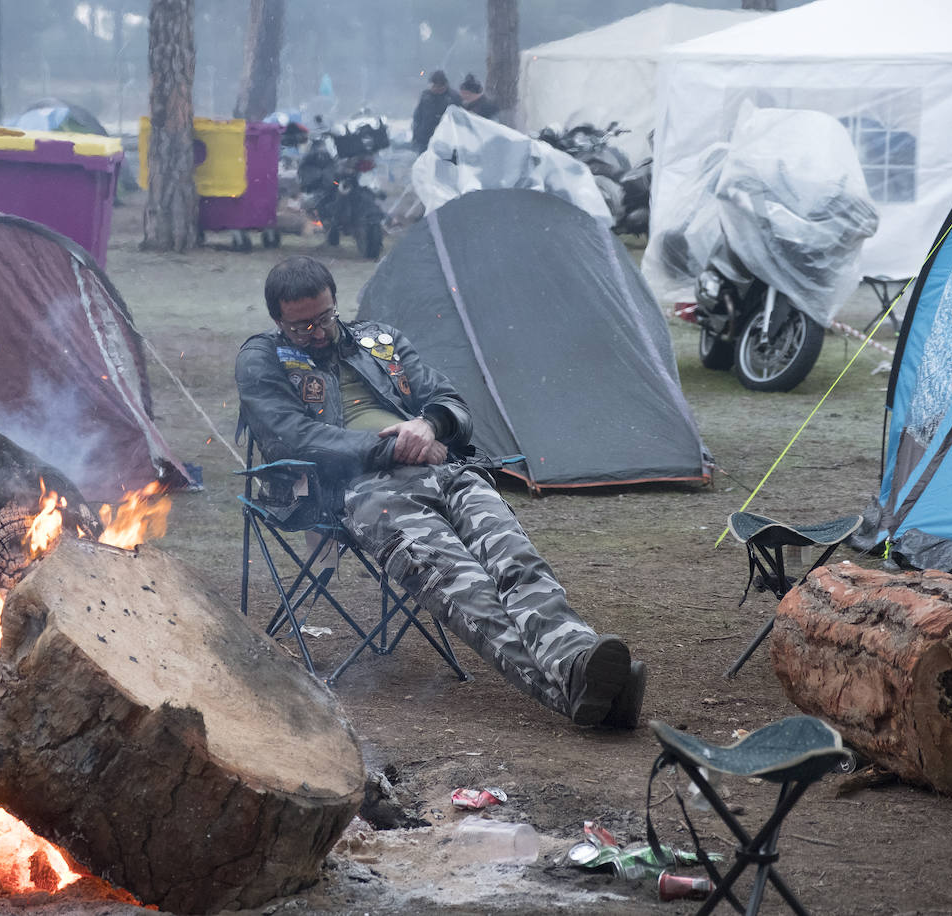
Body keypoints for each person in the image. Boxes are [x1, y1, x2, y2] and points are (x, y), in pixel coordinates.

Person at [235, 256, 646, 729]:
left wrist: (429, 425)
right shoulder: (262, 358)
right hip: (358, 490)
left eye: (325, 318)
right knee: (461, 582)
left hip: (444, 470)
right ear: (277, 321)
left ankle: (577, 661)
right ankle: (579, 687)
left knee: (517, 561)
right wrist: (390, 449)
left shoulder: (379, 340)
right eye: (302, 327)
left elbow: (452, 404)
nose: (319, 333)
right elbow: (292, 435)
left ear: (335, 304)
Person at [410, 69, 460, 152]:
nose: (436, 89)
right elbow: (417, 116)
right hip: (424, 138)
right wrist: (416, 136)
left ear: (445, 85)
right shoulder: (426, 96)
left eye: (439, 86)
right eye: (434, 86)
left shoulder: (453, 98)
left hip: (445, 140)